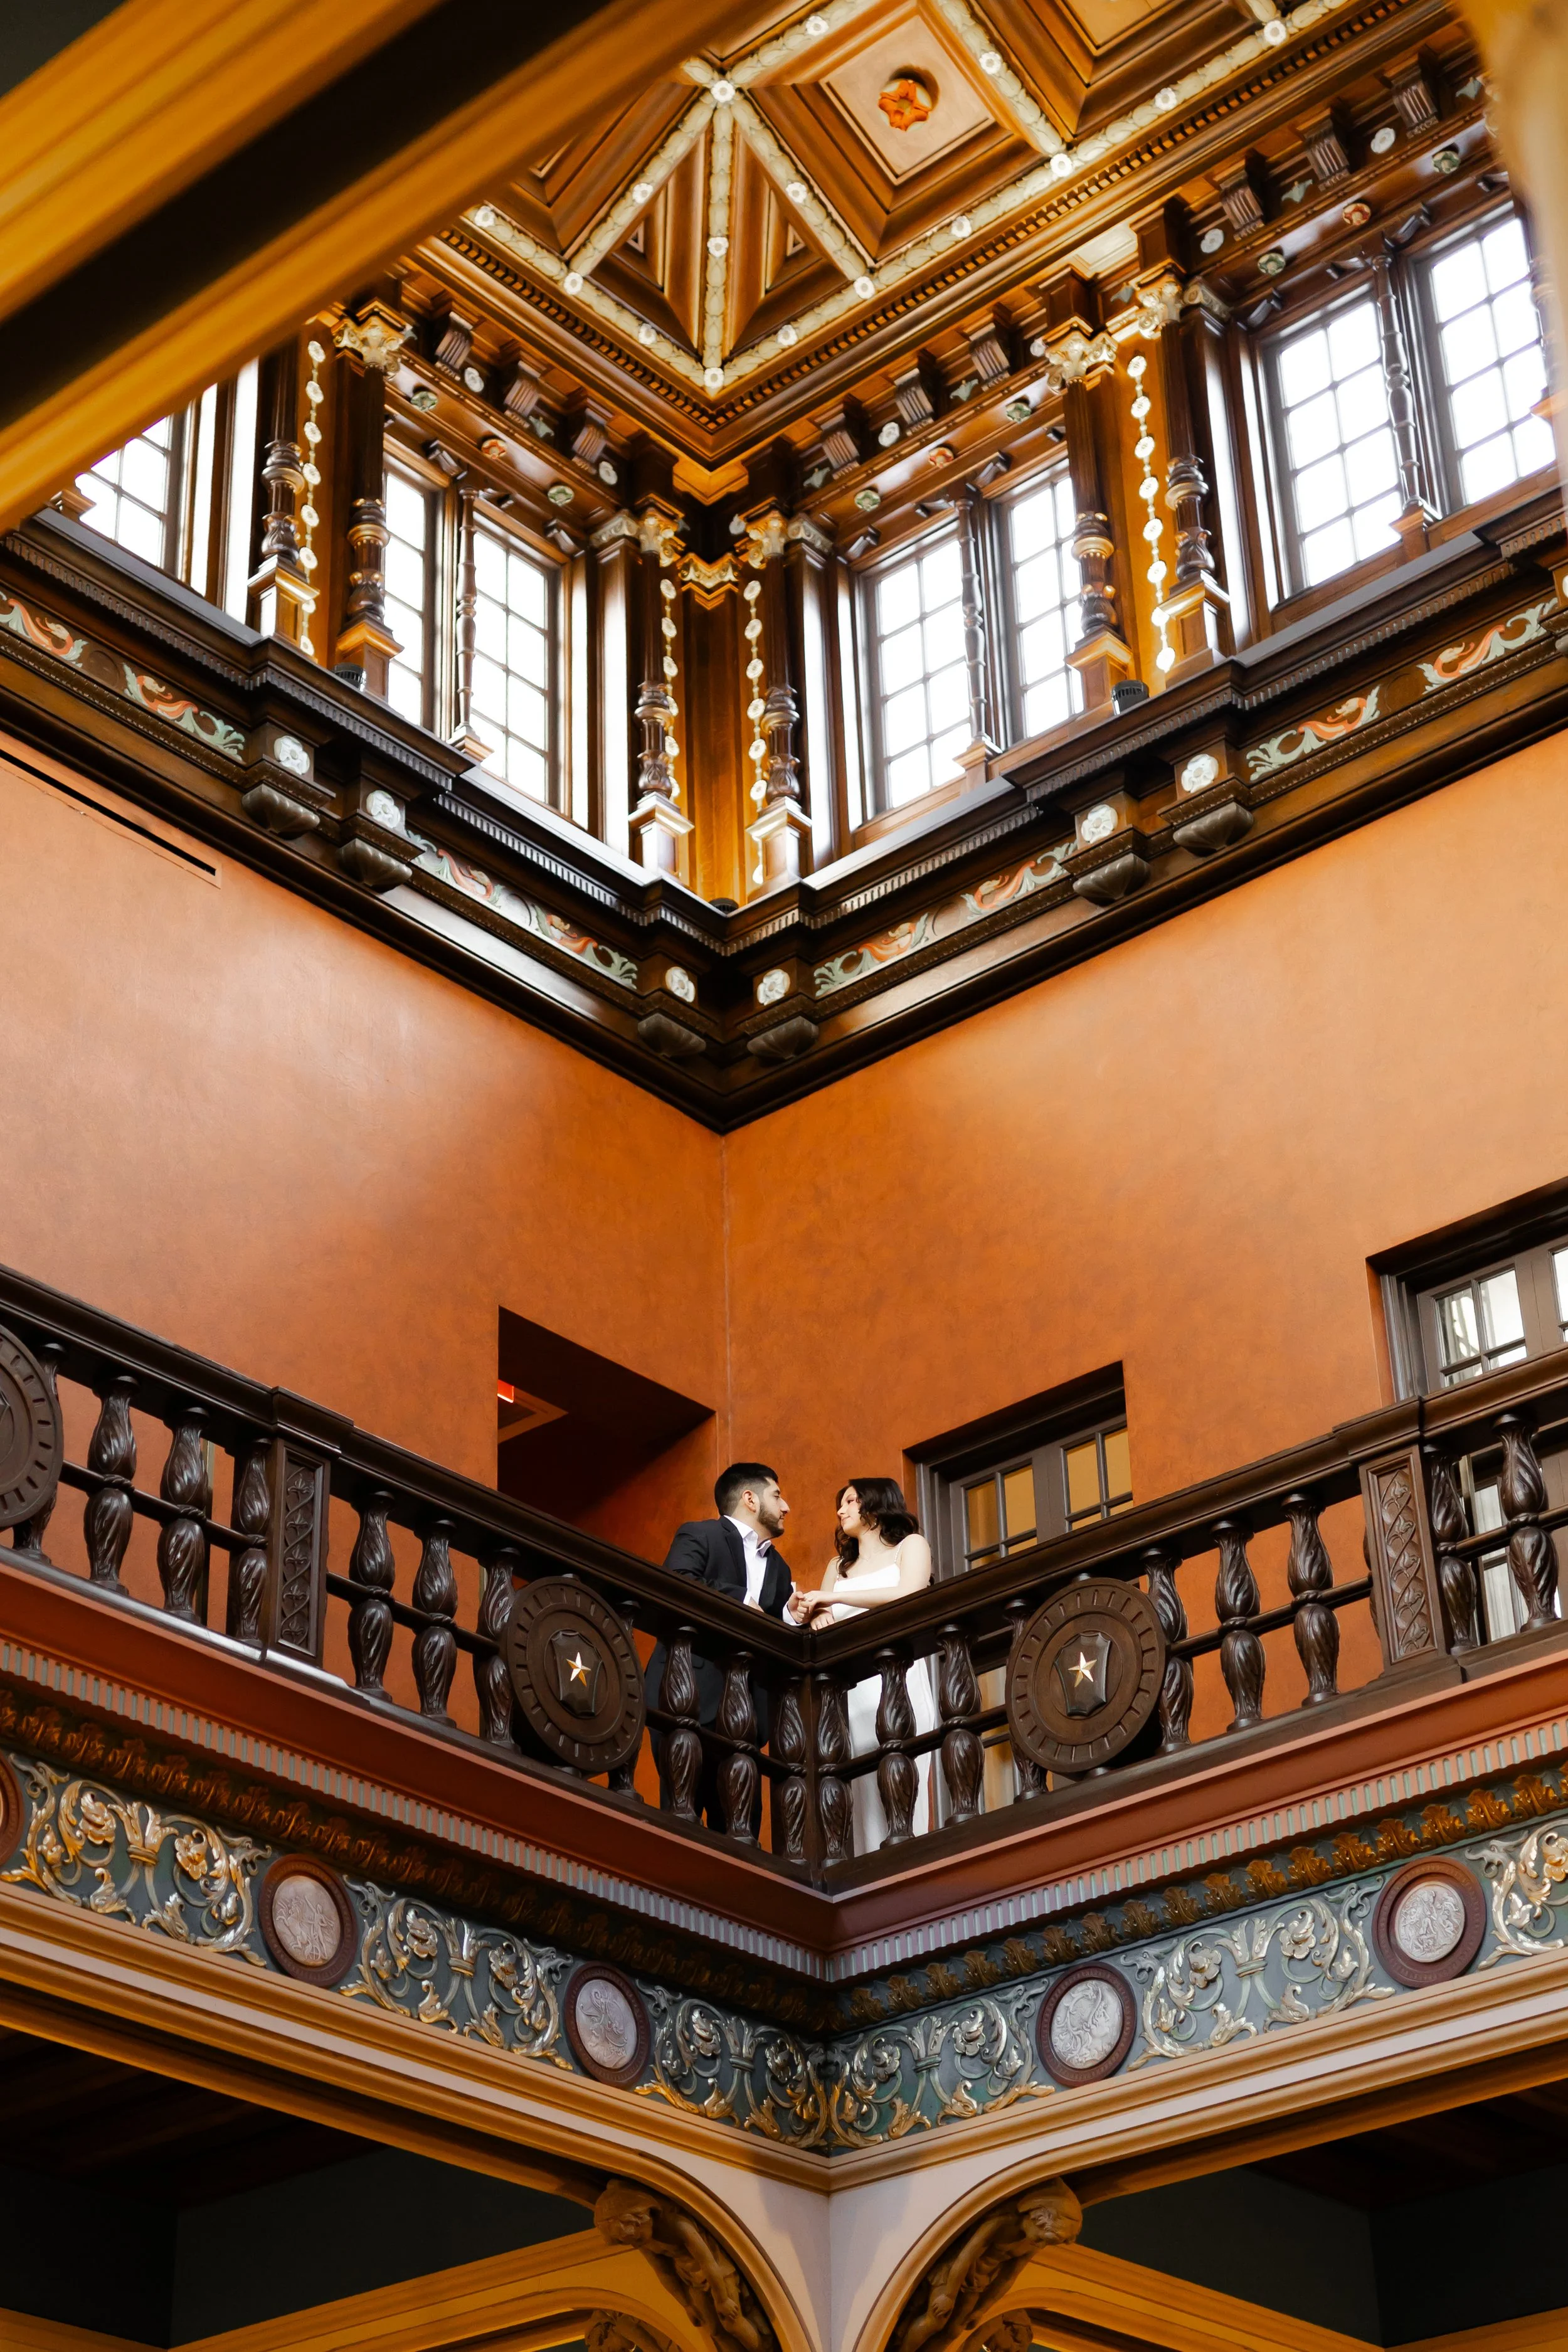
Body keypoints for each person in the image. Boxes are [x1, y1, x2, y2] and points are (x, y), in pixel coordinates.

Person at [791, 1478, 937, 1852]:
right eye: (840, 1504)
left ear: (876, 1503)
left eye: (851, 1501)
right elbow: (822, 1618)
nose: (842, 1511)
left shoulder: (911, 1546)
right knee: (862, 1786)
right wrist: (815, 1615)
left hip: (899, 1682)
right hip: (855, 1695)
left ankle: (910, 1861)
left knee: (905, 1777)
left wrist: (832, 1598)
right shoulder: (837, 1567)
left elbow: (910, 1593)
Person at [647, 1462, 794, 1830]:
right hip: (688, 1697)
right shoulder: (700, 1535)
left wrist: (791, 1615)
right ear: (750, 1499)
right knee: (683, 1822)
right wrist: (741, 1599)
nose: (786, 1506)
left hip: (747, 1716)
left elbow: (771, 1628)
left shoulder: (780, 1568)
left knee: (743, 1830)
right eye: (776, 1495)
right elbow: (678, 1582)